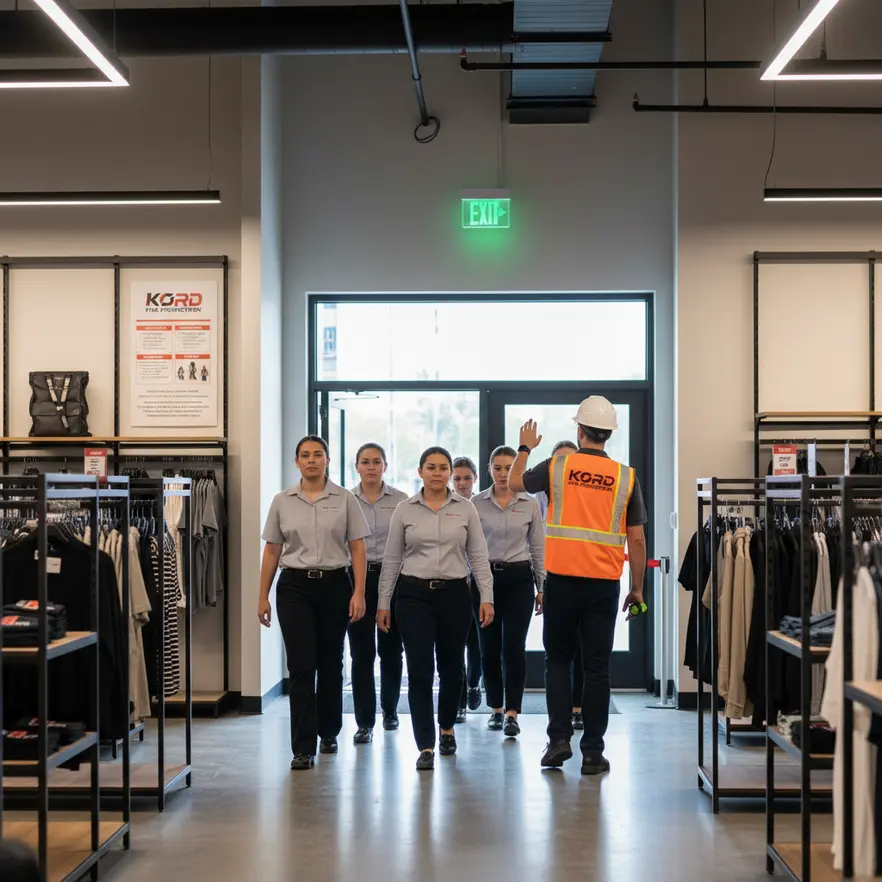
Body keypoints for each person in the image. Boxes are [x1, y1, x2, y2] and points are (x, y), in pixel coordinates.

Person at [510, 397, 647, 775]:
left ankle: (558, 742)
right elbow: (636, 540)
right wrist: (637, 588)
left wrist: (524, 447)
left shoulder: (557, 466)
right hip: (603, 586)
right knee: (598, 667)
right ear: (610, 434)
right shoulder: (626, 477)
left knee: (558, 661)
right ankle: (593, 753)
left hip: (562, 582)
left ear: (579, 431)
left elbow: (514, 482)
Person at [377, 446, 494, 770]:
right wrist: (383, 602)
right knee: (419, 670)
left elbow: (479, 556)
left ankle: (446, 728)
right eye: (431, 467)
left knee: (452, 667)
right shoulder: (405, 509)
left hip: (455, 595)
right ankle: (425, 745)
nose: (438, 473)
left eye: (443, 467)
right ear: (420, 472)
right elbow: (391, 560)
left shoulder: (465, 509)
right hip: (413, 596)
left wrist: (487, 596)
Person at [258, 435, 370, 771]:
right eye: (305, 455)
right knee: (301, 665)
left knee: (331, 661)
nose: (311, 460)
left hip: (336, 585)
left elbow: (358, 548)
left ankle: (328, 731)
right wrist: (261, 595)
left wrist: (359, 592)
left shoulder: (346, 499)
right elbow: (273, 550)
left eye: (317, 455)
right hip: (294, 587)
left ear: (327, 460)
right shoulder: (282, 500)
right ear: (297, 462)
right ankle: (302, 747)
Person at [472, 445, 545, 737]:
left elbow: (538, 548)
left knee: (513, 646)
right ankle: (496, 709)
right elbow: (468, 547)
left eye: (508, 468)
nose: (503, 474)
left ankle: (513, 712)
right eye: (498, 468)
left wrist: (542, 587)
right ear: (489, 469)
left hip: (518, 578)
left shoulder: (528, 504)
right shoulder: (475, 504)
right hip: (483, 579)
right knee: (488, 647)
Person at [348, 442, 408, 743]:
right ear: (356, 467)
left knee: (391, 650)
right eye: (365, 462)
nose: (371, 467)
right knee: (361, 654)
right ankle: (364, 721)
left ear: (385, 466)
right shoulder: (346, 500)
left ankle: (390, 710)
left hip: (393, 579)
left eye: (377, 461)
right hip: (356, 580)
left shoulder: (401, 501)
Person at [534, 440, 585, 731]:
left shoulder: (588, 496)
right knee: (557, 655)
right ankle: (559, 720)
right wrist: (540, 587)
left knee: (581, 651)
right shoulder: (541, 496)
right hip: (554, 580)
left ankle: (578, 707)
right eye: (558, 461)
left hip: (586, 579)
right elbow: (538, 544)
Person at [451, 455, 483, 721]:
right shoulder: (446, 508)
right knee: (455, 643)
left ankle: (474, 683)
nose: (462, 483)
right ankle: (459, 698)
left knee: (476, 643)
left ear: (475, 479)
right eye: (457, 478)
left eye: (467, 478)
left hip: (480, 585)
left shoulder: (482, 507)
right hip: (456, 584)